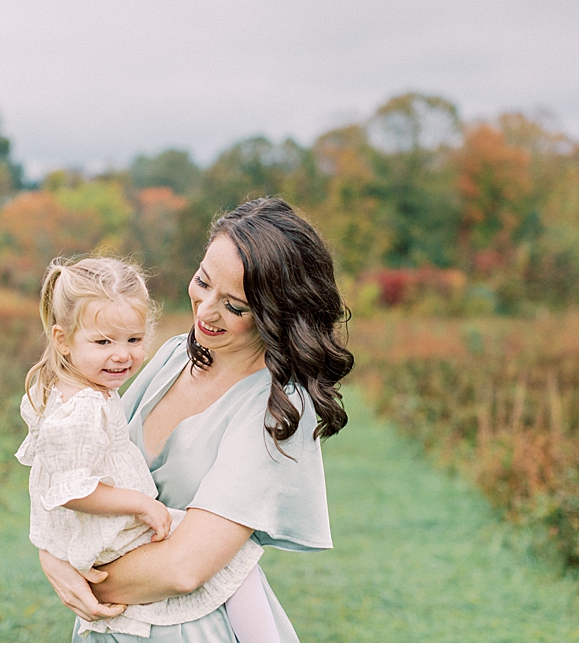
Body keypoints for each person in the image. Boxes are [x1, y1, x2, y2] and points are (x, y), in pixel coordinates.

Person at [36, 197, 355, 643]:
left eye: (236, 306)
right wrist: (51, 557)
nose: (205, 311)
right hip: (111, 626)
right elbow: (80, 466)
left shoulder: (279, 408)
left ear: (276, 311)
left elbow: (184, 567)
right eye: (203, 282)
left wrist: (76, 571)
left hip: (191, 629)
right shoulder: (174, 356)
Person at [14, 256, 279, 640]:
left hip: (99, 535)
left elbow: (49, 475)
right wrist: (141, 504)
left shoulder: (71, 389)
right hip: (111, 534)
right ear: (62, 340)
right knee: (236, 559)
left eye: (134, 340)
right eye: (104, 342)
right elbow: (71, 488)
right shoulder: (84, 407)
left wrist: (51, 548)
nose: (122, 355)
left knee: (228, 560)